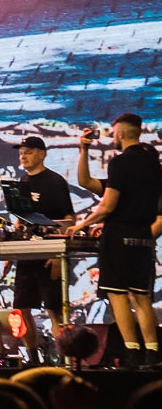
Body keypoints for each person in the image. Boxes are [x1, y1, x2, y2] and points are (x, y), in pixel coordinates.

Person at [74, 113, 161, 367]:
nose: (113, 137)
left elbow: (108, 205)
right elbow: (86, 182)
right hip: (143, 238)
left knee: (118, 295)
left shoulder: (120, 163)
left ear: (120, 133)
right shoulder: (153, 165)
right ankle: (153, 353)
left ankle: (132, 353)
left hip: (119, 237)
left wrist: (82, 224)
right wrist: (84, 149)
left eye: (114, 133)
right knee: (142, 298)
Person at [9, 135, 76, 335]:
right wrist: (10, 250)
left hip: (48, 255)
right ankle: (31, 353)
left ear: (42, 154)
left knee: (54, 311)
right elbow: (21, 218)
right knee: (21, 309)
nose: (23, 157)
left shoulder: (55, 181)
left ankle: (64, 352)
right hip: (26, 254)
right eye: (21, 153)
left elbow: (69, 218)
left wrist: (57, 254)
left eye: (28, 153)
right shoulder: (23, 181)